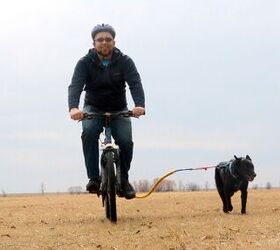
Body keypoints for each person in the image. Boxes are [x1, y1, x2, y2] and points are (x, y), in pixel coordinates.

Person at [68, 24, 145, 199]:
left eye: (108, 39)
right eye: (100, 40)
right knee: (89, 132)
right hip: (93, 108)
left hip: (118, 108)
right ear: (93, 43)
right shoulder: (84, 63)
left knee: (126, 141)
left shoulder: (125, 61)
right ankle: (94, 178)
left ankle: (124, 181)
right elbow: (75, 86)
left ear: (114, 42)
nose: (104, 43)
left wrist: (139, 105)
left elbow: (135, 83)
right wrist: (74, 108)